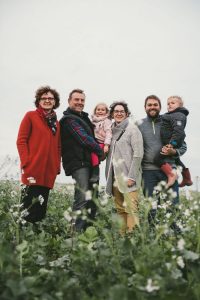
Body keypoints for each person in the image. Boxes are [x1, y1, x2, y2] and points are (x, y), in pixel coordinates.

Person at [137, 95, 187, 224]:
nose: (152, 107)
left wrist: (174, 151)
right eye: (150, 105)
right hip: (147, 172)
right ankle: (154, 238)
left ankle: (175, 238)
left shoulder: (168, 120)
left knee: (172, 206)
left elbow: (183, 145)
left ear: (159, 107)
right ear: (145, 108)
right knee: (151, 208)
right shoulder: (139, 125)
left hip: (169, 170)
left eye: (155, 104)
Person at [60, 89, 103, 232]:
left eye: (82, 100)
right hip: (79, 163)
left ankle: (88, 232)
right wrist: (100, 150)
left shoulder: (85, 118)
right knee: (82, 197)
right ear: (69, 101)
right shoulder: (69, 120)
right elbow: (84, 139)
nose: (79, 103)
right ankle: (75, 234)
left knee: (93, 198)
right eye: (76, 100)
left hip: (90, 163)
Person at [16, 86, 61, 223]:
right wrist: (26, 162)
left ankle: (35, 239)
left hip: (48, 172)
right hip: (32, 169)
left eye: (50, 98)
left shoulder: (56, 124)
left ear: (55, 102)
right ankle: (21, 239)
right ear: (38, 101)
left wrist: (57, 167)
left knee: (40, 209)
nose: (47, 100)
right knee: (27, 207)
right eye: (44, 98)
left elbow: (58, 147)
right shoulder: (30, 116)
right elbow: (21, 141)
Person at [105, 101, 143, 235]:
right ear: (112, 114)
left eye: (122, 111)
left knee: (131, 209)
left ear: (126, 114)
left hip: (128, 177)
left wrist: (132, 176)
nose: (119, 113)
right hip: (115, 177)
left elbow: (138, 155)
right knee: (120, 209)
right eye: (116, 111)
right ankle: (123, 239)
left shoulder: (133, 129)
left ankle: (132, 239)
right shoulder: (110, 132)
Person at [154, 95, 192, 188]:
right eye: (168, 103)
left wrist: (172, 145)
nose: (169, 105)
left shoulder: (179, 116)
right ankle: (187, 178)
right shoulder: (171, 115)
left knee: (157, 159)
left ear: (180, 105)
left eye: (172, 103)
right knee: (177, 159)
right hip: (171, 141)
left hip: (173, 142)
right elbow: (162, 118)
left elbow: (179, 132)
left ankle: (171, 174)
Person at [90, 102, 112, 183]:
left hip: (102, 142)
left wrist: (106, 145)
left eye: (102, 110)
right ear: (95, 111)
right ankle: (94, 170)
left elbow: (109, 133)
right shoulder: (93, 120)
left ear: (106, 112)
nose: (100, 111)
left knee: (94, 153)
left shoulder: (107, 121)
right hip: (95, 141)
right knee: (92, 154)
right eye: (98, 109)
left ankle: (95, 173)